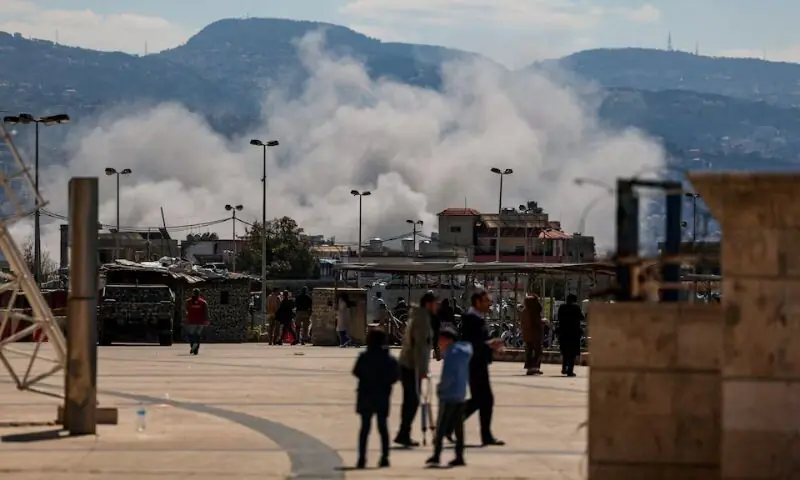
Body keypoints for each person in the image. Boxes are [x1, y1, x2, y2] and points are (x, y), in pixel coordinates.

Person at [457, 290, 505, 446]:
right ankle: (451, 421)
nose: (489, 304)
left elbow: (479, 340)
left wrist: (490, 344)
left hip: (479, 363)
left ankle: (484, 435)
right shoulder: (471, 319)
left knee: (483, 400)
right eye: (486, 301)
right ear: (477, 302)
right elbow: (469, 342)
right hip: (473, 364)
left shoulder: (477, 318)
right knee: (483, 399)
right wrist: (489, 344)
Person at [352, 329, 399, 469]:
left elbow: (356, 371)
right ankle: (385, 457)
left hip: (366, 395)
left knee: (365, 429)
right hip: (382, 396)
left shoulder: (364, 356)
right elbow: (396, 376)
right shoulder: (389, 358)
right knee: (382, 427)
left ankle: (362, 458)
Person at [394, 291, 436, 447]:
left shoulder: (419, 317)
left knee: (410, 400)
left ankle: (403, 432)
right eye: (434, 303)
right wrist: (421, 369)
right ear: (428, 304)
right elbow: (420, 347)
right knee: (412, 400)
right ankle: (403, 433)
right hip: (411, 365)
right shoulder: (422, 320)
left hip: (408, 364)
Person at [426, 327, 472, 467]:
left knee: (441, 428)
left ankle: (436, 455)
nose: (439, 342)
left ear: (449, 340)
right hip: (461, 394)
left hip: (449, 396)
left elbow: (448, 377)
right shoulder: (464, 352)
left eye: (441, 339)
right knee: (459, 428)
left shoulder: (451, 355)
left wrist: (440, 389)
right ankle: (459, 456)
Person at [556, 294, 584, 377]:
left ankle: (564, 367)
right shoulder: (576, 308)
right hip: (574, 333)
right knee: (572, 353)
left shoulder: (562, 307)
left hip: (564, 332)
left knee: (565, 351)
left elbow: (558, 317)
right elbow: (581, 317)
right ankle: (570, 370)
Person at [521, 295, 544, 376]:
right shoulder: (533, 311)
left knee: (529, 352)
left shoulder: (524, 310)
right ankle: (534, 367)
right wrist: (542, 322)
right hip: (535, 334)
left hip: (527, 335)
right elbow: (537, 321)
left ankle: (530, 368)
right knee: (538, 352)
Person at [185, 288, 210, 355]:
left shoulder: (188, 301)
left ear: (193, 293)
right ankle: (196, 349)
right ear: (199, 294)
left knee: (191, 335)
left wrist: (186, 318)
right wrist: (207, 320)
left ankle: (193, 345)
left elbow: (186, 311)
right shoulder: (203, 302)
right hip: (200, 322)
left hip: (192, 321)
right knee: (198, 335)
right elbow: (206, 312)